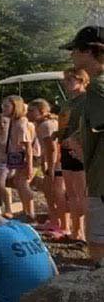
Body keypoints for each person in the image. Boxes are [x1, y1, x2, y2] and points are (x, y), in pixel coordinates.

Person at [62, 26, 104, 266]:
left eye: (75, 49)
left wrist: (79, 144)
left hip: (101, 179)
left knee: (97, 245)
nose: (72, 55)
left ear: (89, 51)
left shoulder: (97, 86)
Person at [28, 99, 66, 235]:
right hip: (55, 162)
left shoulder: (46, 125)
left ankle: (62, 225)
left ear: (42, 111)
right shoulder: (42, 124)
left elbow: (52, 148)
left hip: (58, 163)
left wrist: (51, 167)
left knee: (57, 193)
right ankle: (54, 220)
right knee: (49, 192)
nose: (28, 113)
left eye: (32, 111)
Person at [60, 68, 88, 243]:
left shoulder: (88, 100)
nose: (66, 82)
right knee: (71, 193)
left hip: (81, 149)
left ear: (82, 80)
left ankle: (87, 234)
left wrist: (75, 139)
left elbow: (88, 125)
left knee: (82, 194)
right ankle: (75, 231)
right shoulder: (67, 102)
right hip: (65, 149)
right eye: (65, 79)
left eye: (71, 79)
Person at [2, 95, 36, 223]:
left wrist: (30, 166)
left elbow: (28, 146)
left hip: (26, 156)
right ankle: (26, 211)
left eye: (6, 106)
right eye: (3, 106)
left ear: (15, 107)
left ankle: (30, 213)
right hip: (16, 155)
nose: (3, 108)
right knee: (17, 182)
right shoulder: (13, 121)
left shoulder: (21, 123)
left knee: (23, 183)